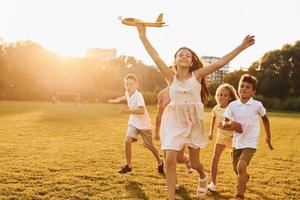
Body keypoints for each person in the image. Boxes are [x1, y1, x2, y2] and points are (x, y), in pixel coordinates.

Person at [136, 24, 255, 199]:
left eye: (188, 55)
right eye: (180, 55)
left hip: (193, 122)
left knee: (194, 162)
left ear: (192, 61)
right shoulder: (171, 77)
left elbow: (221, 62)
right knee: (170, 159)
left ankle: (202, 175)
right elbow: (155, 56)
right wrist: (143, 36)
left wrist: (241, 47)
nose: (184, 57)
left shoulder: (197, 75)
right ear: (175, 60)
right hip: (175, 121)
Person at [220, 74, 274, 200]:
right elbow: (224, 122)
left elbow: (265, 119)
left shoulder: (257, 105)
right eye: (242, 86)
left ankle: (240, 195)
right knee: (236, 169)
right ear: (238, 88)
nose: (244, 89)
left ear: (253, 91)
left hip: (250, 142)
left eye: (248, 87)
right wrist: (231, 124)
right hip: (237, 142)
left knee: (241, 166)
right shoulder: (232, 105)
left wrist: (268, 137)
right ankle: (245, 178)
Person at [108, 73, 164, 175]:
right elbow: (125, 96)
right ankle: (128, 166)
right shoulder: (127, 93)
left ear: (136, 85)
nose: (128, 86)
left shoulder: (139, 96)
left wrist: (127, 111)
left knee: (149, 146)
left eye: (131, 84)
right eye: (127, 84)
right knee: (127, 141)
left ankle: (160, 162)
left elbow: (141, 111)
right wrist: (117, 99)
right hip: (133, 122)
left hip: (144, 125)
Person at [207, 83, 238, 192]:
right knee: (215, 159)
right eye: (220, 95)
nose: (222, 97)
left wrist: (226, 127)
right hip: (220, 137)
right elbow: (213, 121)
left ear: (230, 97)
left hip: (233, 137)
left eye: (225, 95)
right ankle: (213, 183)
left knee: (235, 162)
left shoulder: (232, 108)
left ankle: (242, 179)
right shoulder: (215, 108)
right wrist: (211, 132)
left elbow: (235, 125)